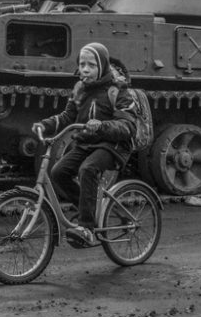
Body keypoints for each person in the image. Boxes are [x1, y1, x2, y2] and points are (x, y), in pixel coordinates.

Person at [33, 42, 137, 246]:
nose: (85, 69)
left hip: (113, 145)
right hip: (87, 143)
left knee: (87, 169)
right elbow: (68, 116)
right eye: (82, 64)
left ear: (102, 66)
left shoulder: (118, 90)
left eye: (91, 65)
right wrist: (45, 125)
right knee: (58, 172)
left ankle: (87, 228)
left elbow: (128, 126)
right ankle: (87, 210)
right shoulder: (80, 89)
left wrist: (102, 126)